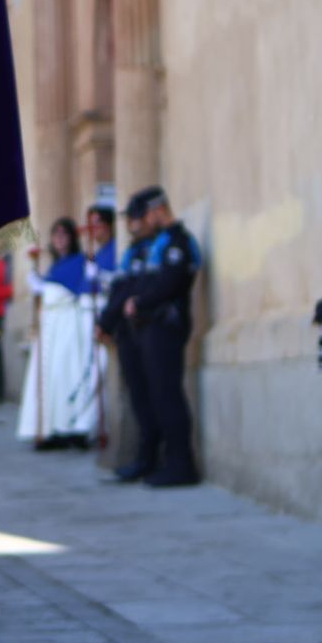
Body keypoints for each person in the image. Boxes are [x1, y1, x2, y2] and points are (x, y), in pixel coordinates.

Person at [121, 185, 202, 487]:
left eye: (145, 215)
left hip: (166, 327)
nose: (142, 221)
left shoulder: (177, 242)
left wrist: (139, 302)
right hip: (150, 328)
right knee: (155, 396)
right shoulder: (158, 244)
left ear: (158, 210)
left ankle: (181, 465)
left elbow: (170, 283)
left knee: (168, 396)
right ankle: (163, 461)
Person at [17, 217, 102, 450]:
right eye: (55, 236)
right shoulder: (54, 265)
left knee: (66, 373)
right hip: (51, 326)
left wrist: (44, 287)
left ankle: (71, 427)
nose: (59, 240)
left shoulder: (80, 261)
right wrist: (39, 285)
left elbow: (74, 289)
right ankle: (50, 428)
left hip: (66, 324)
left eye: (64, 235)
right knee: (50, 377)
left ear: (72, 238)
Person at [97, 192, 160, 482]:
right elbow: (119, 289)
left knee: (153, 397)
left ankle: (152, 457)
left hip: (147, 331)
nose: (131, 225)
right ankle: (144, 457)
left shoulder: (153, 248)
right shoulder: (133, 251)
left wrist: (106, 321)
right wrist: (106, 323)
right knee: (139, 398)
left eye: (135, 219)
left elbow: (131, 289)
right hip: (127, 333)